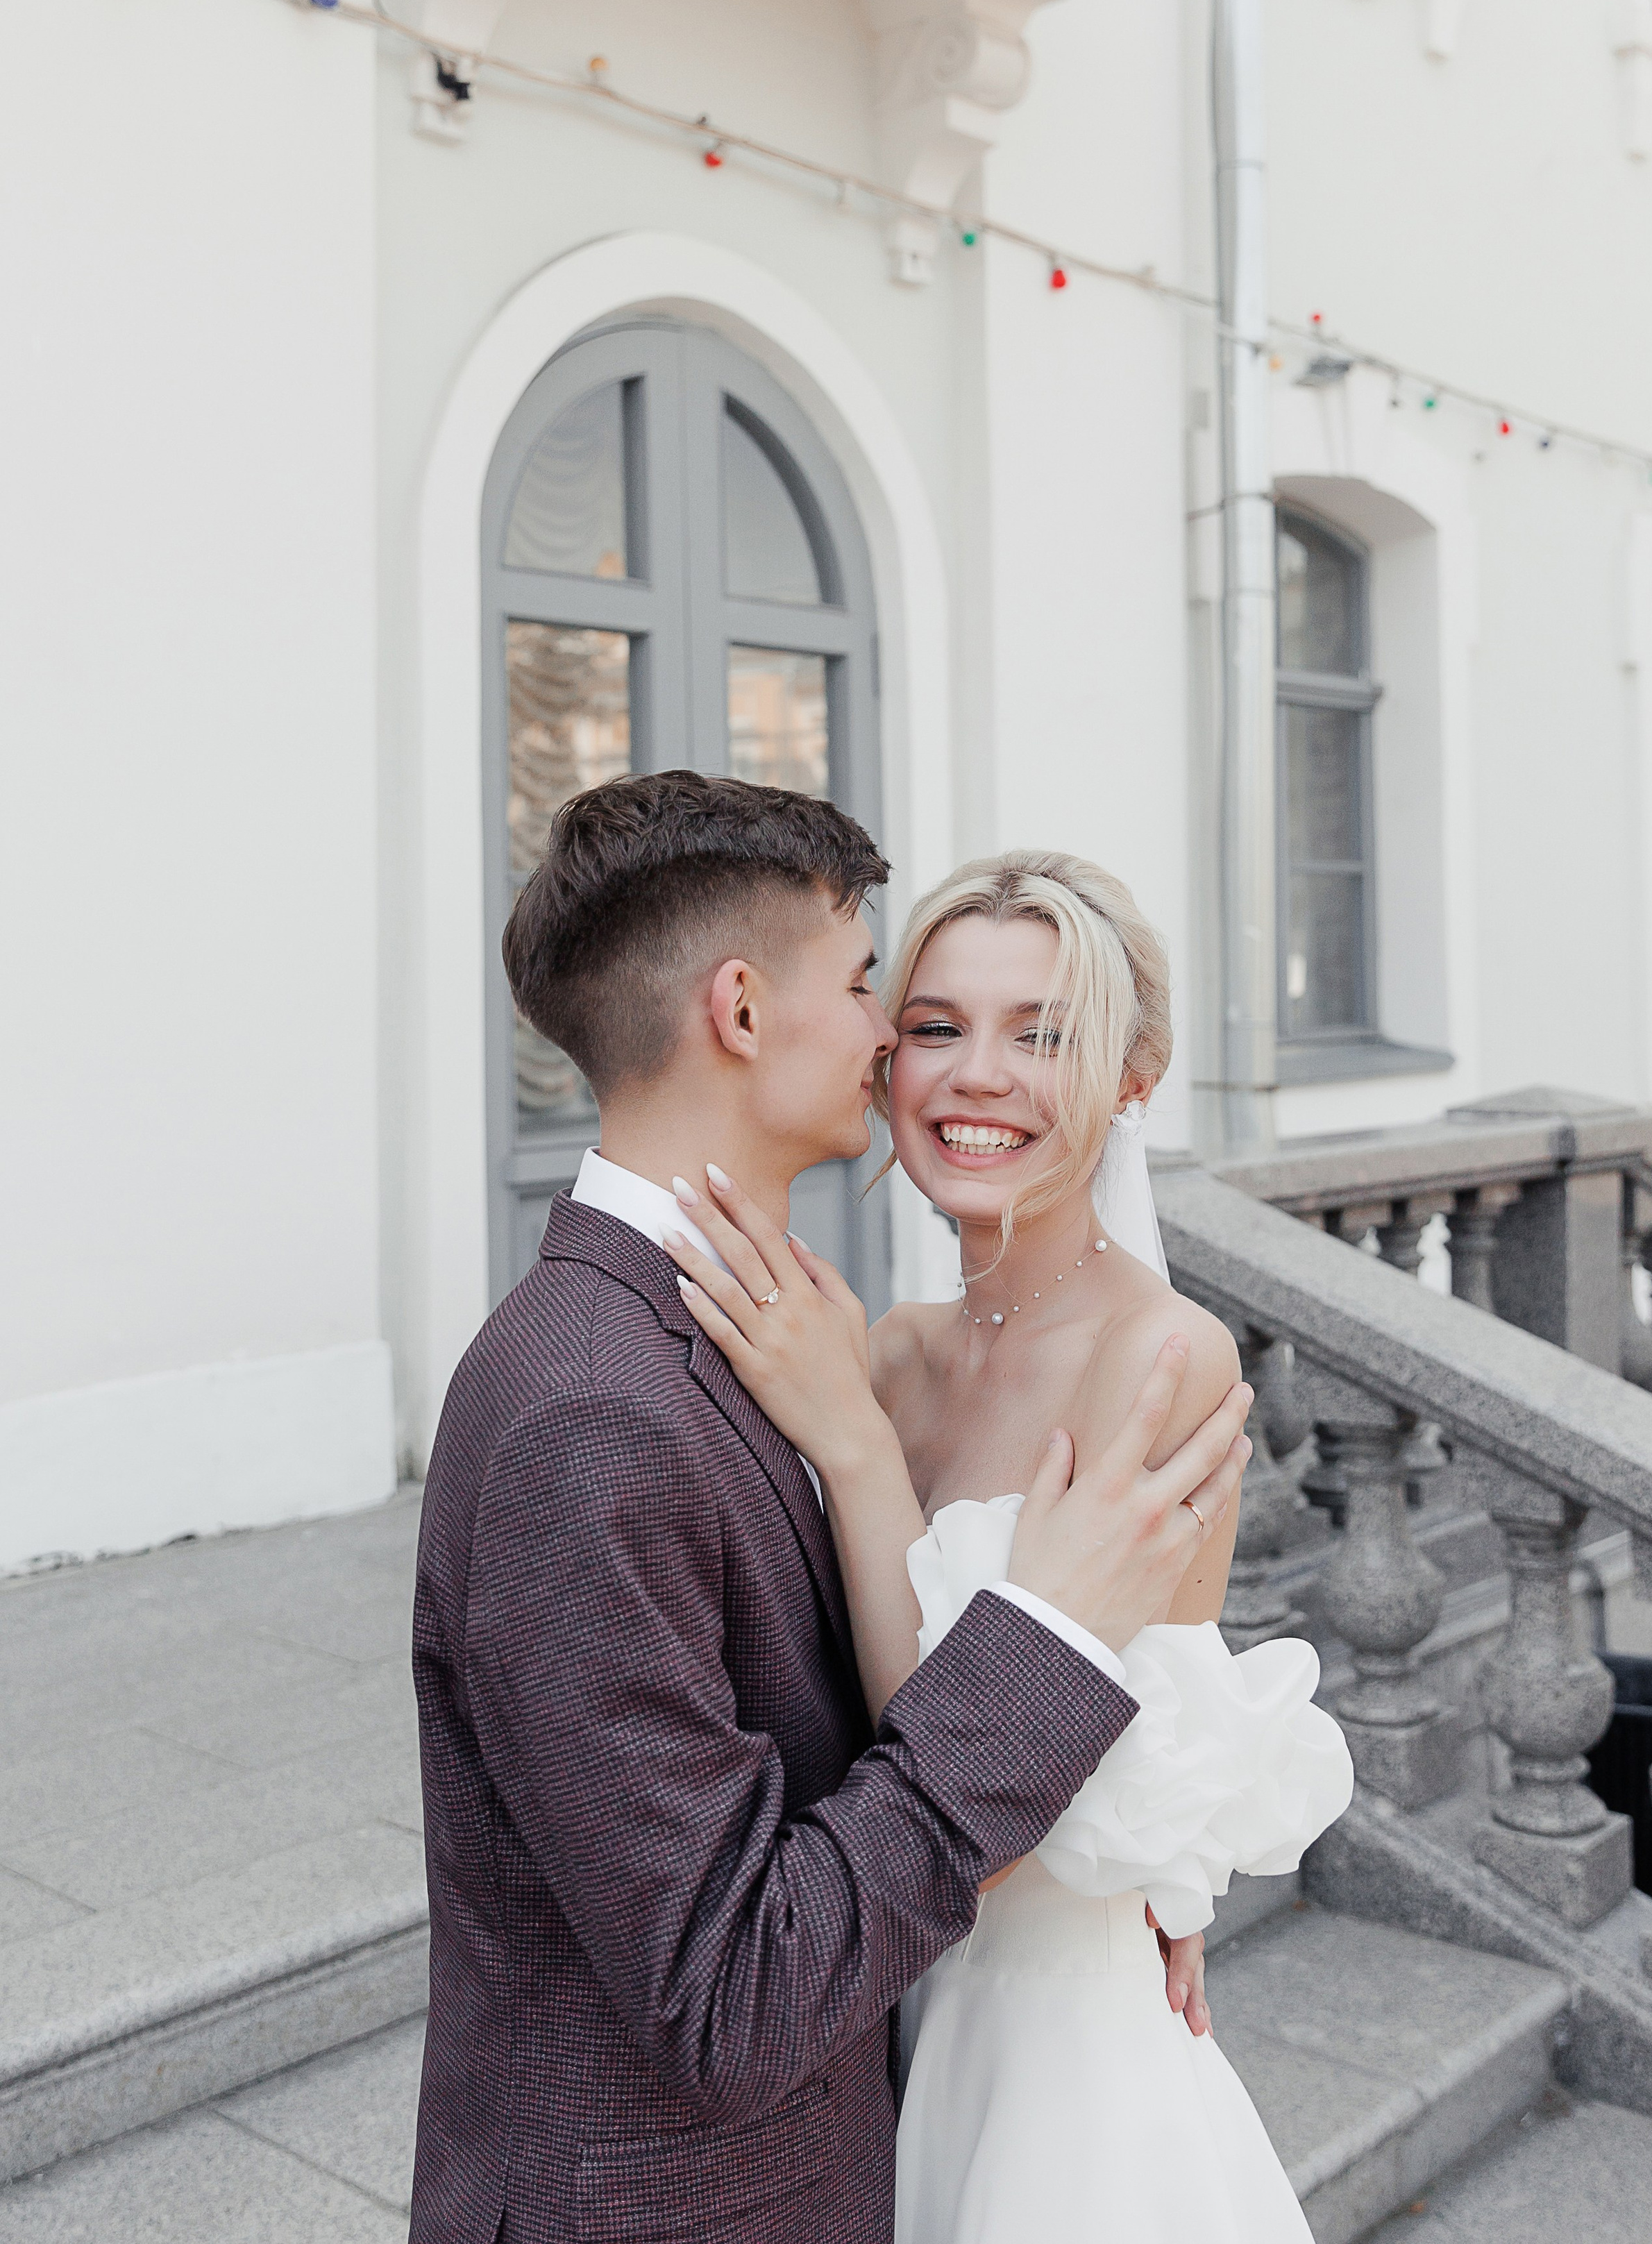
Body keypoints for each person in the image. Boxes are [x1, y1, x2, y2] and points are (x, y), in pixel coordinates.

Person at [408, 777, 1254, 2244]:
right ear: (740, 1009)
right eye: (891, 997)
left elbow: (1127, 1717)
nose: (894, 1051)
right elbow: (729, 1987)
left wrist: (1157, 1868)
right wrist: (1036, 1643)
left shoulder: (761, 1331)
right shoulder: (600, 1404)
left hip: (1001, 2068)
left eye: (1036, 1031)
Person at [666, 850, 1352, 2244]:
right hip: (860, 2007)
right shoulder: (886, 1347)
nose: (976, 1074)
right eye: (933, 1025)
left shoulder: (1158, 1357)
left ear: (1134, 1076)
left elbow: (1021, 1808)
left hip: (1049, 2053)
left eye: (1043, 1035)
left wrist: (852, 1452)